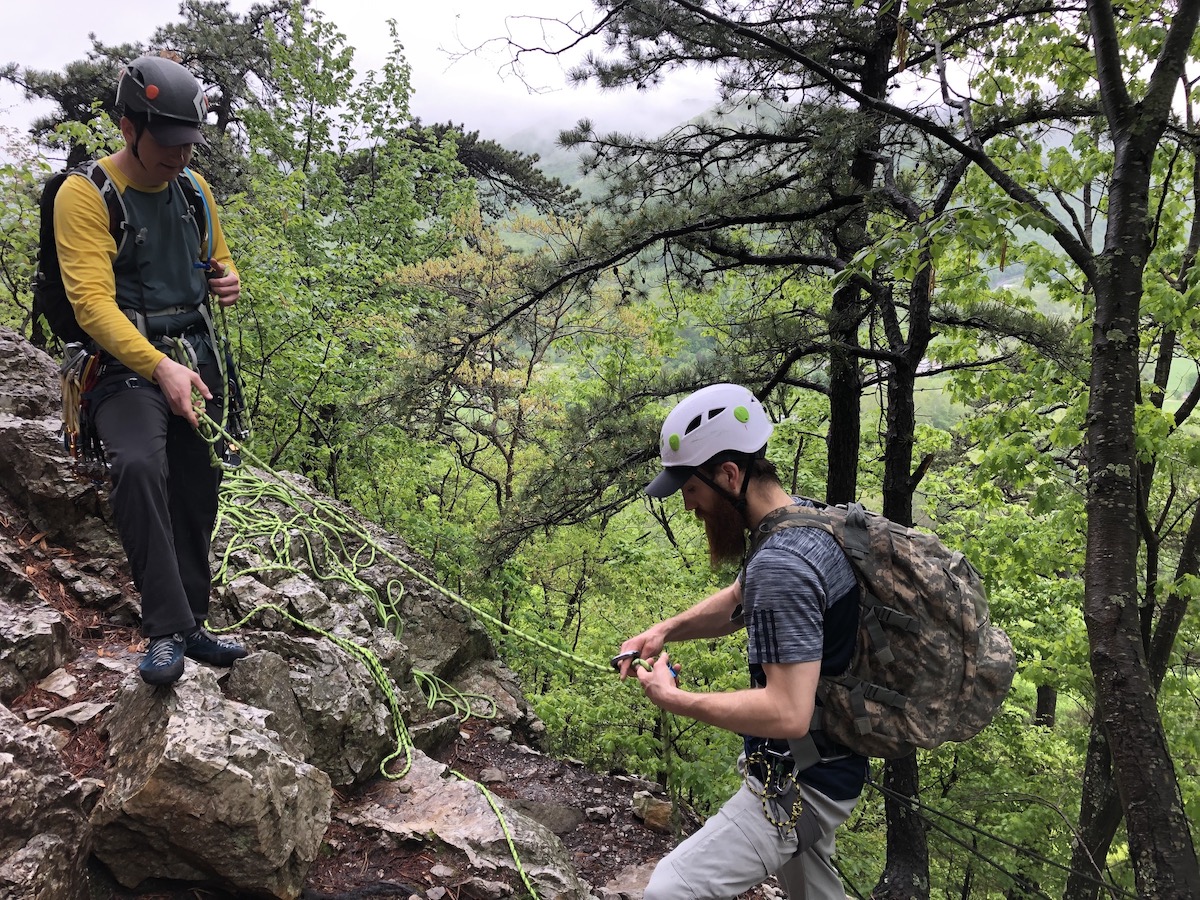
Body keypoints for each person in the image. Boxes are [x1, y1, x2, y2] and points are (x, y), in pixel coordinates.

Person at [616, 383, 867, 900]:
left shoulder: (782, 563)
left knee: (670, 890)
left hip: (800, 783)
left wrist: (674, 699)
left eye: (691, 489)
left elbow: (787, 712)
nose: (689, 507)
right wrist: (667, 629)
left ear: (729, 474)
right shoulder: (805, 523)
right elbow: (740, 598)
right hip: (827, 764)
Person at [55, 54, 248, 686]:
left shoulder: (194, 191)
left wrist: (226, 278)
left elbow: (214, 259)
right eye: (166, 142)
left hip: (192, 354)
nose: (178, 155)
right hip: (121, 363)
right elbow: (90, 305)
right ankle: (166, 629)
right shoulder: (84, 196)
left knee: (198, 483)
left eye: (187, 142)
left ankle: (194, 620)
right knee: (140, 466)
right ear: (128, 126)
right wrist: (158, 365)